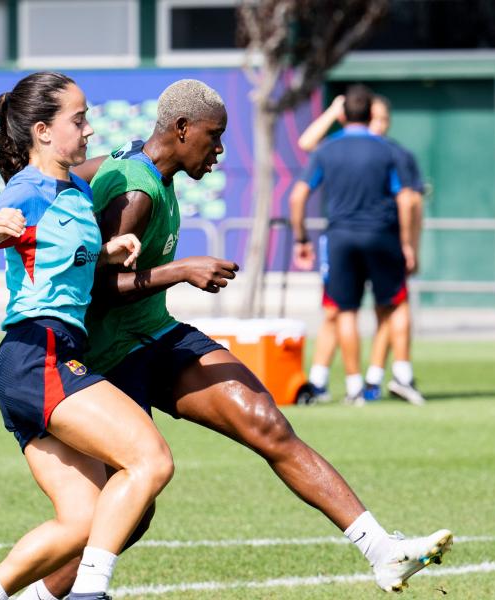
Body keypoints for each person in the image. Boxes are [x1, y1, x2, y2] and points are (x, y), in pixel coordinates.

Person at [23, 79, 452, 598]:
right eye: (214, 136)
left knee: (265, 421)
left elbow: (82, 176)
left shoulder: (141, 165)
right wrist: (179, 271)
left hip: (156, 336)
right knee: (131, 515)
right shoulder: (135, 190)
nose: (220, 149)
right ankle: (36, 595)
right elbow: (96, 287)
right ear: (181, 129)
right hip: (107, 360)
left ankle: (382, 552)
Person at [0, 71, 169, 600]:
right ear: (43, 131)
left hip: (38, 360)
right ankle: (89, 592)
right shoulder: (29, 187)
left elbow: (62, 256)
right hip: (36, 354)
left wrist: (104, 252)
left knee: (84, 519)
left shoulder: (77, 189)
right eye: (78, 119)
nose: (88, 130)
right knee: (149, 460)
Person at [289, 85, 419, 408]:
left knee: (343, 311)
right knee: (396, 304)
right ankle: (400, 374)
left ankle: (354, 386)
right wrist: (407, 242)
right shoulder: (390, 151)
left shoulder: (328, 150)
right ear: (373, 116)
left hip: (340, 237)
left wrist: (301, 238)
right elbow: (407, 199)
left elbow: (297, 196)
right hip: (382, 234)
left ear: (343, 114)